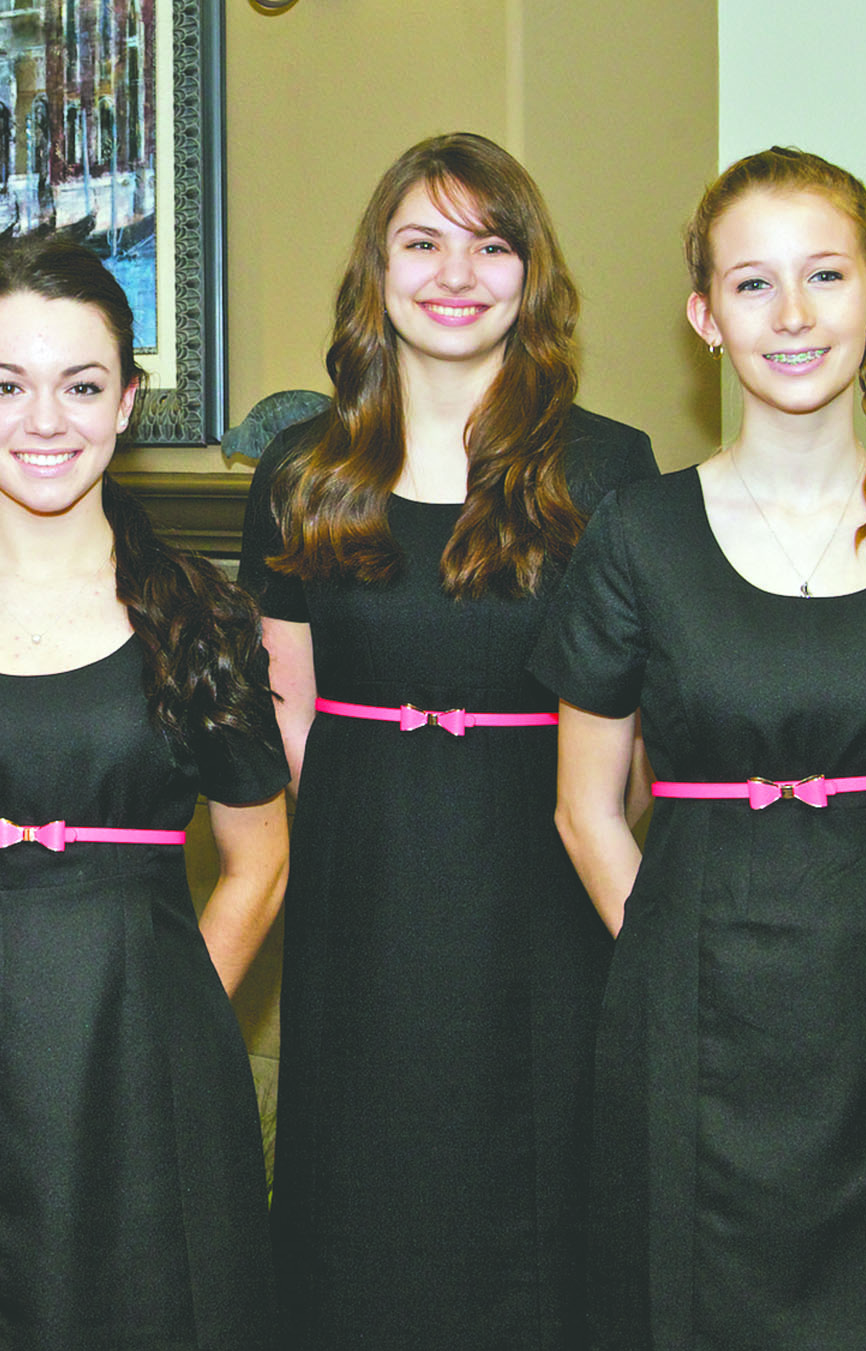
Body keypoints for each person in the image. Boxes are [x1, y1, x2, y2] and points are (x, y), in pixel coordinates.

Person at [535, 147, 866, 1349]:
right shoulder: (637, 532)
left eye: (825, 274)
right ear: (707, 318)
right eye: (753, 284)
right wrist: (675, 953)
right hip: (687, 1028)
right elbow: (585, 809)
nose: (795, 314)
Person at [233, 132, 656, 1350]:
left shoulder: (607, 466)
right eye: (422, 242)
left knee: (534, 1204)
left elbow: (625, 733)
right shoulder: (302, 468)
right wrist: (370, 836)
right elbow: (292, 707)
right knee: (359, 1197)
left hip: (540, 884)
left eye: (491, 244)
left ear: (533, 277)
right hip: (359, 892)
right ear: (378, 269)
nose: (455, 273)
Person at [0, 235, 289, 1350]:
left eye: (81, 386)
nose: (46, 421)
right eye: (8, 386)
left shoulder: (202, 616)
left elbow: (260, 855)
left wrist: (177, 1008)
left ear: (126, 402)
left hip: (157, 1070)